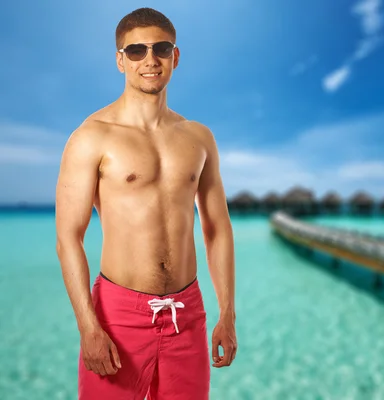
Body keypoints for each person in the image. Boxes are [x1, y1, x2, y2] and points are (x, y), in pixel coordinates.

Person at [54, 7, 236, 400]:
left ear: (176, 56)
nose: (149, 60)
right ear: (120, 60)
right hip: (118, 315)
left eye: (161, 48)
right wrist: (88, 325)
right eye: (136, 50)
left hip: (187, 313)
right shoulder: (91, 137)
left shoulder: (199, 138)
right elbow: (69, 237)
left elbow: (217, 228)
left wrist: (227, 313)